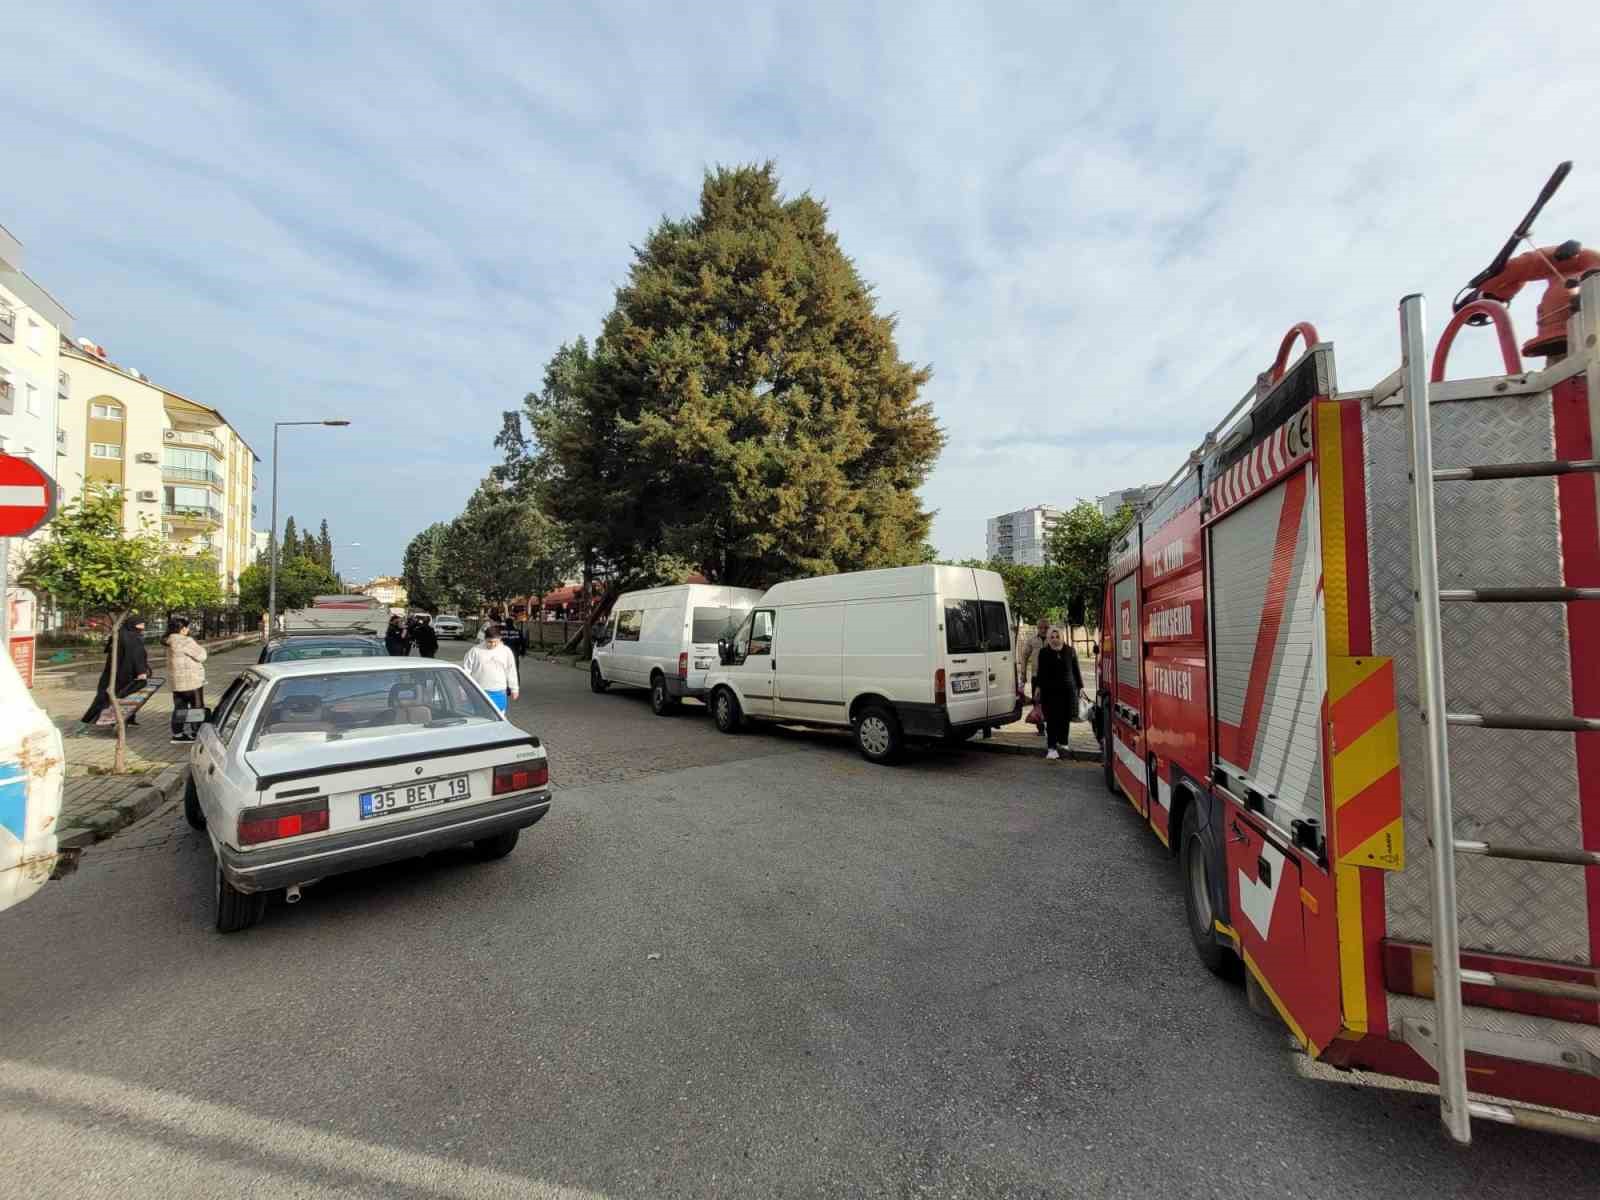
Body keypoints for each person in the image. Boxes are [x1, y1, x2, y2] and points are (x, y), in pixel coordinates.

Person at [80, 616, 151, 727]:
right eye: (141, 624)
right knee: (124, 696)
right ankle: (116, 719)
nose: (143, 627)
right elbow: (136, 656)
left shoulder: (119, 634)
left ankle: (122, 718)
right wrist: (141, 671)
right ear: (133, 625)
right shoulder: (132, 637)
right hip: (126, 673)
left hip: (113, 672)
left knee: (107, 696)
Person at [1032, 626, 1086, 761]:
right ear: (1049, 638)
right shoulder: (1044, 652)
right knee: (1051, 720)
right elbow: (1041, 672)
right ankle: (1051, 748)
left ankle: (1063, 742)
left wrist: (1080, 686)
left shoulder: (1070, 651)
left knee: (1065, 718)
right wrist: (1038, 687)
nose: (1055, 640)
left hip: (1068, 690)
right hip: (1049, 691)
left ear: (1061, 637)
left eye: (1057, 637)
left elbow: (1076, 670)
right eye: (1052, 637)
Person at [163, 616, 208, 743]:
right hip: (192, 680)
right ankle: (196, 733)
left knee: (180, 707)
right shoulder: (186, 641)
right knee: (196, 707)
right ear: (182, 629)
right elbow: (202, 655)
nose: (188, 629)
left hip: (177, 682)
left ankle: (178, 734)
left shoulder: (169, 641)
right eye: (187, 627)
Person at [463, 623, 519, 713]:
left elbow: (511, 671)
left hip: (499, 691)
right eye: (489, 642)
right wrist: (463, 690)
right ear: (485, 639)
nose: (492, 644)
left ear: (500, 639)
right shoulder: (475, 651)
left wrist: (514, 689)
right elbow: (466, 671)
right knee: (481, 717)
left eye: (495, 642)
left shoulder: (506, 651)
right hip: (479, 691)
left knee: (499, 717)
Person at [1017, 616, 1053, 737]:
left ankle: (1051, 726)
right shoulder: (1032, 640)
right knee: (1037, 701)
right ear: (1037, 628)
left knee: (1050, 701)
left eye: (1046, 627)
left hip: (1051, 677)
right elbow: (1024, 656)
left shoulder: (1053, 640)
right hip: (1036, 676)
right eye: (1041, 628)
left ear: (1049, 628)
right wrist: (1023, 673)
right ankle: (1041, 728)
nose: (1043, 630)